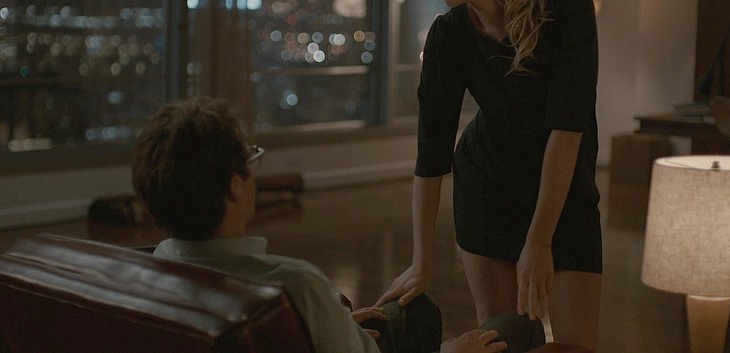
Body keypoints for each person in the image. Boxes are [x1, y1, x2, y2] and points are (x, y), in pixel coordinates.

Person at [376, 0, 602, 351]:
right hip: (487, 188)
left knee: (577, 345)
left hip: (564, 192)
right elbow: (431, 155)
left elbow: (566, 130)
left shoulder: (567, 5)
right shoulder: (448, 34)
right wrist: (421, 262)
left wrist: (539, 241)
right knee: (502, 341)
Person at [131, 96, 514, 353]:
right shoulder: (293, 287)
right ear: (234, 186)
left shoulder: (146, 274)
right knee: (515, 329)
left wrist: (333, 327)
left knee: (415, 312)